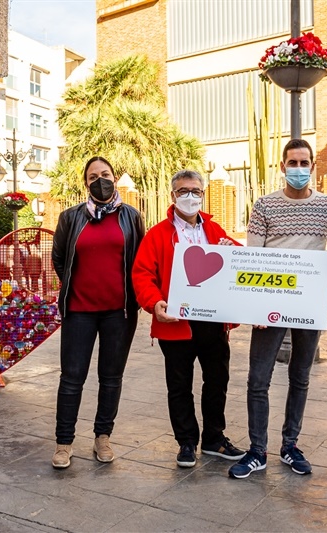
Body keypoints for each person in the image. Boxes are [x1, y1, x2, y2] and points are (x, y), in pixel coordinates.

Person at [229, 139, 327, 479]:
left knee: (301, 377)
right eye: (292, 163)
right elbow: (254, 256)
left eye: (303, 162)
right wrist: (256, 307)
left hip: (309, 305)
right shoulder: (264, 205)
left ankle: (290, 445)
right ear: (282, 167)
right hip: (270, 305)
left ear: (313, 166)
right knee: (258, 379)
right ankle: (257, 450)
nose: (298, 168)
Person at [132, 169, 245, 468]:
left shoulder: (215, 229)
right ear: (173, 196)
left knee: (217, 380)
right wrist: (154, 302)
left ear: (203, 195)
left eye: (196, 191)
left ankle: (214, 439)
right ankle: (186, 442)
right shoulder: (157, 235)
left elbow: (239, 257)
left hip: (212, 322)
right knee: (180, 385)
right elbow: (142, 274)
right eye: (184, 191)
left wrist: (232, 251)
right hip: (175, 323)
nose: (190, 197)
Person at [50, 156, 145, 469]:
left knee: (111, 378)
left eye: (105, 174)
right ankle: (64, 443)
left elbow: (140, 261)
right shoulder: (70, 217)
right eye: (93, 176)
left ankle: (102, 436)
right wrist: (75, 288)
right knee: (72, 378)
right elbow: (60, 259)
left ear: (115, 178)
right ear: (85, 183)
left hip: (119, 312)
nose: (100, 180)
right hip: (79, 311)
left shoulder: (131, 217)